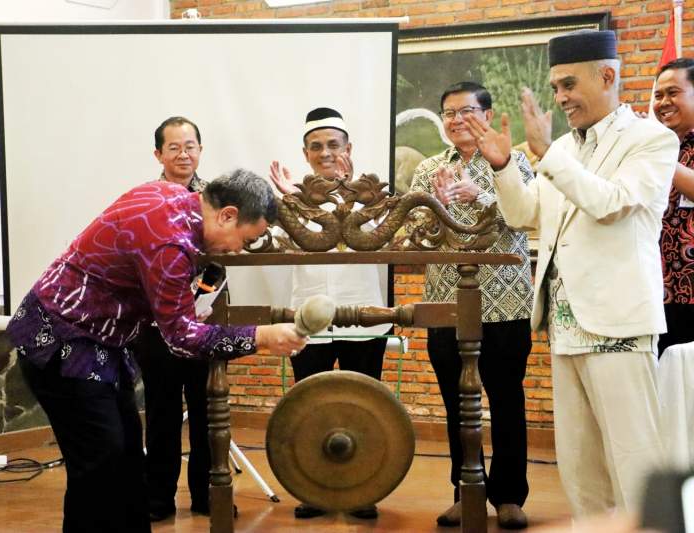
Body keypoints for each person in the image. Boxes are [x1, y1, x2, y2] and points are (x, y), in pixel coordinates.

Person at [6, 170, 306, 533]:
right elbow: (181, 338)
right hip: (59, 340)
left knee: (128, 458)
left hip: (100, 343)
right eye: (244, 238)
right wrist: (261, 335)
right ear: (227, 214)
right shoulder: (170, 243)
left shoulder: (169, 193)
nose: (238, 250)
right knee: (99, 465)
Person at [461, 29, 678, 517]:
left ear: (607, 76)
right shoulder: (565, 148)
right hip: (565, 326)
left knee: (634, 461)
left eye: (568, 85)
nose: (560, 98)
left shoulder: (651, 140)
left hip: (618, 323)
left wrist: (546, 153)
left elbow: (611, 204)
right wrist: (502, 166)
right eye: (555, 88)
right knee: (579, 468)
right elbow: (526, 213)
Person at [410, 82, 534, 529]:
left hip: (505, 303)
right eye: (448, 113)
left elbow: (526, 216)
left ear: (487, 114)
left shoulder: (514, 161)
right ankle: (466, 492)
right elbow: (417, 233)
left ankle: (508, 497)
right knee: (455, 403)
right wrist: (436, 207)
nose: (456, 120)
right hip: (446, 302)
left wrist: (479, 196)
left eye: (466, 111)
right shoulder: (427, 169)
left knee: (505, 399)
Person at [269, 107, 390, 520]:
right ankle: (313, 490)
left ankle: (363, 490)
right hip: (309, 320)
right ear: (305, 154)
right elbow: (280, 244)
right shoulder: (293, 199)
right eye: (316, 147)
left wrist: (355, 195)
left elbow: (382, 241)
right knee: (310, 408)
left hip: (366, 317)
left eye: (333, 145)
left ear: (348, 148)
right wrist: (291, 203)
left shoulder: (375, 195)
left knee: (366, 407)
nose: (325, 153)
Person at [129, 116, 212, 521]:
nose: (184, 154)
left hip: (205, 321)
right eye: (175, 147)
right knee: (161, 414)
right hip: (156, 326)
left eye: (191, 146)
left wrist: (201, 298)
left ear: (200, 150)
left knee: (206, 412)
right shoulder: (146, 199)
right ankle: (158, 500)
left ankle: (206, 496)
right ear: (158, 154)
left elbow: (226, 256)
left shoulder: (216, 198)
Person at [653, 58, 694, 356]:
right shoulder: (660, 145)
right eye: (658, 95)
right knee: (666, 387)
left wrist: (656, 152)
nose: (663, 102)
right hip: (658, 291)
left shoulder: (658, 150)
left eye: (672, 93)